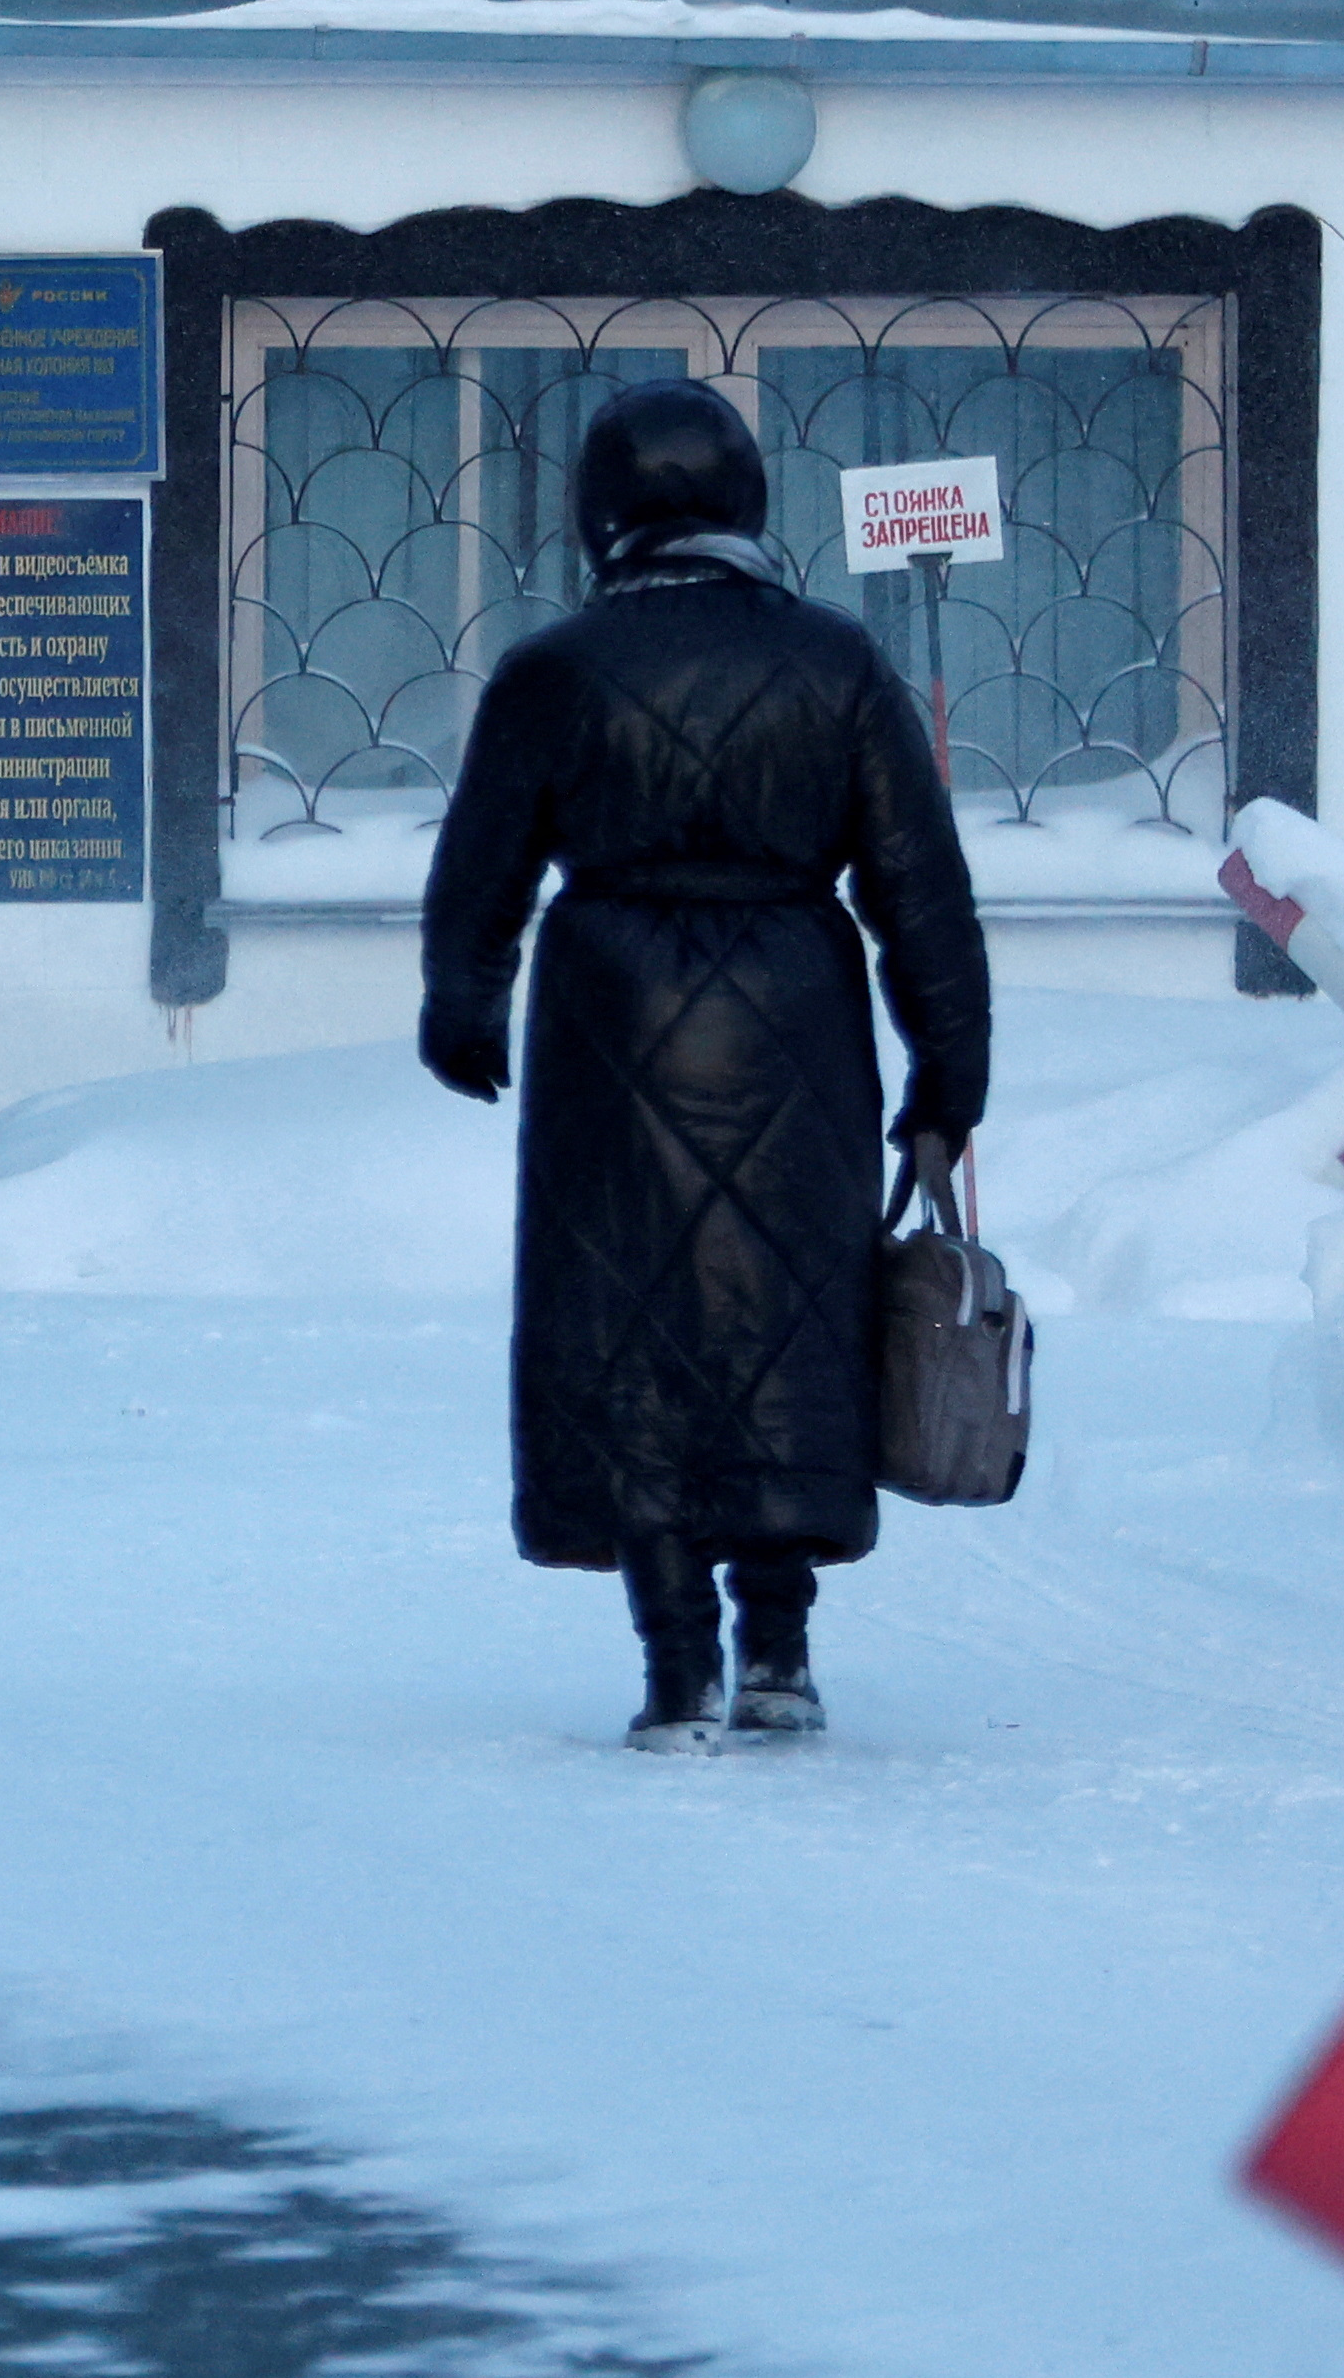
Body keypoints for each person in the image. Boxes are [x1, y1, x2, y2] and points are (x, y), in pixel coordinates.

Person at [414, 379, 993, 1752]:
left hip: (606, 1020)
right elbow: (922, 888)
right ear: (747, 501)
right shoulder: (840, 663)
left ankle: (675, 1666)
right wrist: (947, 1079)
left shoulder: (552, 672)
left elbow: (479, 871)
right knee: (787, 1320)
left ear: (598, 513)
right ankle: (778, 1647)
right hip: (797, 1017)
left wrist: (464, 1007)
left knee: (631, 1334)